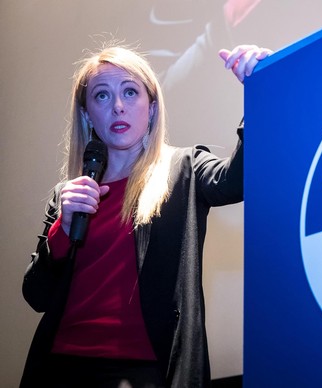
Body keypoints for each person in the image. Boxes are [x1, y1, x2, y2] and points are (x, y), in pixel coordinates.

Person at [20, 42, 272, 388]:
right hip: (59, 367)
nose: (118, 107)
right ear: (87, 114)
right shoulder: (69, 196)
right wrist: (62, 229)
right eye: (102, 96)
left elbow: (238, 182)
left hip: (144, 370)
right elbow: (36, 295)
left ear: (152, 108)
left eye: (130, 92)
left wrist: (261, 95)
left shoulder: (183, 170)